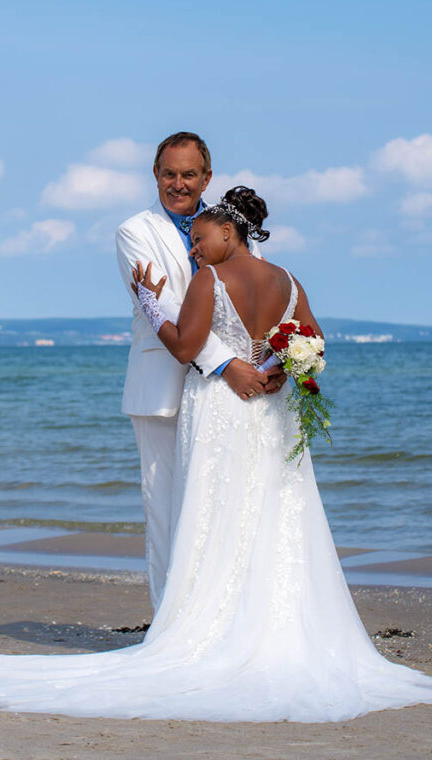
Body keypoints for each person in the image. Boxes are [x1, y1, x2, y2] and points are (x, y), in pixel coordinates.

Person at [0, 186, 432, 721]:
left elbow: (187, 346)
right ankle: (280, 627)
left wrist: (151, 307)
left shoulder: (210, 279)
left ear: (228, 230)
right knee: (277, 513)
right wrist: (277, 369)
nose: (193, 247)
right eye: (191, 239)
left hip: (221, 411)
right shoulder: (288, 278)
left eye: (200, 236)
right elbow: (313, 341)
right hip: (272, 412)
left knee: (214, 511)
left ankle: (213, 628)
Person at [115, 131, 282, 610]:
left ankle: (222, 616)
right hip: (163, 389)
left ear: (207, 176)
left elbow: (256, 290)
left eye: (189, 174)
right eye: (169, 173)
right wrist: (228, 365)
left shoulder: (230, 226)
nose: (178, 184)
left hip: (229, 399)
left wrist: (272, 361)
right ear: (155, 175)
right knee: (166, 508)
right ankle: (169, 622)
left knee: (223, 503)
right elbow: (164, 308)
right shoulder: (135, 232)